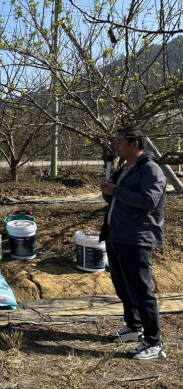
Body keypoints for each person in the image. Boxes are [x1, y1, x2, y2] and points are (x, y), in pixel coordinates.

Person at [100, 125, 167, 360]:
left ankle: (153, 342)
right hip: (116, 235)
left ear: (135, 143)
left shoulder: (150, 169)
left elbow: (149, 200)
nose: (115, 145)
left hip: (135, 238)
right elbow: (111, 197)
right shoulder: (124, 169)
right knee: (123, 287)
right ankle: (134, 327)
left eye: (119, 141)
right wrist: (109, 189)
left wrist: (116, 190)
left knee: (140, 290)